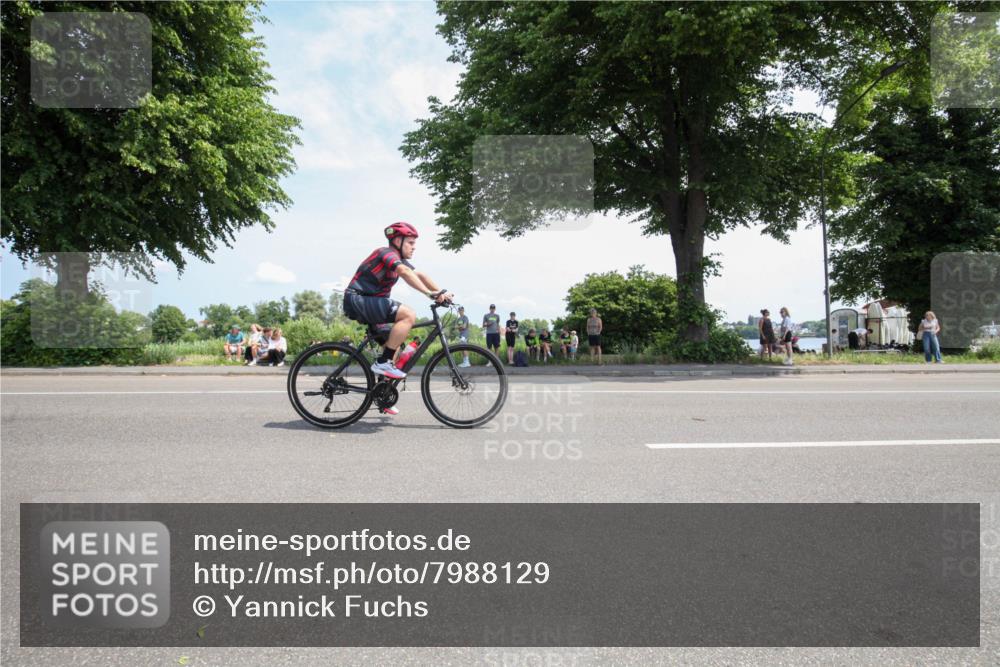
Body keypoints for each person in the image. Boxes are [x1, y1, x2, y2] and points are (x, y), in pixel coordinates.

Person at [342, 222, 453, 417]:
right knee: (408, 314)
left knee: (395, 345)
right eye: (410, 242)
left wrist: (441, 292)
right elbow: (405, 273)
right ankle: (383, 362)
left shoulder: (400, 259)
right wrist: (429, 294)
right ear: (398, 241)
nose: (414, 246)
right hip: (358, 299)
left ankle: (382, 395)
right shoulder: (386, 253)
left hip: (371, 302)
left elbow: (419, 274)